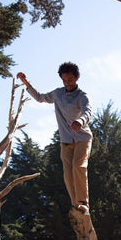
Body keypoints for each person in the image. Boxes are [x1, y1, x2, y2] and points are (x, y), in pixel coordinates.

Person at [17, 62, 93, 213]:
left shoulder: (82, 96)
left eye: (70, 79)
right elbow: (39, 97)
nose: (67, 83)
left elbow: (88, 111)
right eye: (64, 80)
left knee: (78, 166)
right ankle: (75, 204)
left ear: (77, 78)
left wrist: (80, 121)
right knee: (67, 172)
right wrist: (26, 83)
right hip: (65, 140)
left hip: (82, 138)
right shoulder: (58, 94)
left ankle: (83, 201)